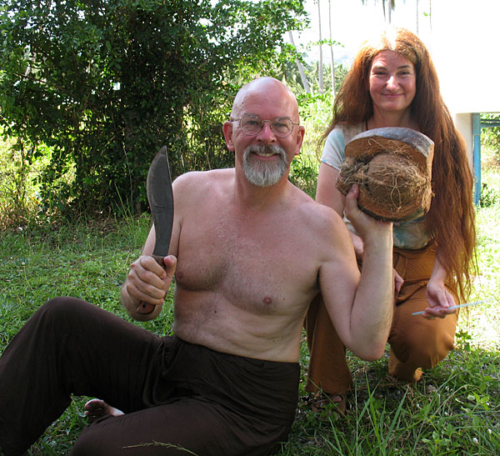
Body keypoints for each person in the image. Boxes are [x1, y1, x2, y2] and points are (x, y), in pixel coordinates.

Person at [0, 77, 395, 456]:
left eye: (280, 125)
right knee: (61, 319)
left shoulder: (321, 228)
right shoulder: (188, 192)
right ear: (229, 134)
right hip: (171, 364)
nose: (266, 137)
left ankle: (139, 423)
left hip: (245, 404)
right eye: (252, 123)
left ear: (298, 138)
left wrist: (379, 239)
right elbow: (142, 308)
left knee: (98, 449)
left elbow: (367, 343)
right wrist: (139, 292)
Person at [305, 27, 477, 414]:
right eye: (380, 72)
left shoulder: (443, 137)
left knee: (426, 339)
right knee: (323, 288)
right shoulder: (344, 136)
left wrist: (437, 280)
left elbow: (455, 219)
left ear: (420, 79)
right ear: (364, 78)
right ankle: (328, 388)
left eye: (403, 72)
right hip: (354, 255)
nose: (391, 83)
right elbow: (325, 218)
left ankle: (403, 369)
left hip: (419, 262)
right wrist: (370, 253)